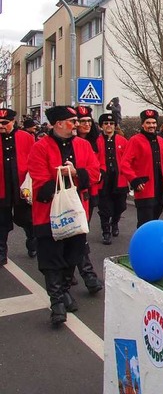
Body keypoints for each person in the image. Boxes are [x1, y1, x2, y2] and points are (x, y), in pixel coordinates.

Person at [27, 106, 100, 326]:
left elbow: (95, 172)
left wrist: (76, 172)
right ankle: (57, 302)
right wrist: (60, 174)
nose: (77, 124)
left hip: (77, 213)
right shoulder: (40, 148)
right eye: (72, 121)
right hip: (48, 214)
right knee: (51, 259)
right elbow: (39, 183)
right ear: (59, 123)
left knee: (73, 255)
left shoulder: (83, 145)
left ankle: (65, 289)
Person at [120, 109, 163, 227]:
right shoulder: (135, 140)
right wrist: (134, 179)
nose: (151, 125)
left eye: (153, 123)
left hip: (159, 189)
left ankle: (152, 245)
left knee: (155, 221)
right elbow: (124, 163)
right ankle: (143, 244)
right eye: (148, 123)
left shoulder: (161, 141)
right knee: (145, 223)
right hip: (144, 188)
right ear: (142, 124)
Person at [0, 108, 36, 266]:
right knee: (1, 221)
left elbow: (35, 159)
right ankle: (1, 252)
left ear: (13, 122)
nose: (1, 126)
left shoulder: (25, 137)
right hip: (2, 187)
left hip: (22, 186)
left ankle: (32, 241)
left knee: (26, 219)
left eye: (5, 123)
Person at [73, 105, 103, 294]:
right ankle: (87, 273)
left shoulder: (95, 142)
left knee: (81, 232)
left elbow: (99, 167)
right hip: (72, 194)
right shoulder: (70, 143)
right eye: (81, 121)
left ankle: (72, 272)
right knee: (77, 234)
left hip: (90, 193)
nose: (85, 125)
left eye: (88, 122)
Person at [96, 113, 128, 245]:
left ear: (115, 126)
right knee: (104, 207)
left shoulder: (122, 141)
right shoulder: (96, 141)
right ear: (101, 126)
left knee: (120, 206)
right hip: (104, 180)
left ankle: (114, 223)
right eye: (106, 123)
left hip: (119, 178)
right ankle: (106, 231)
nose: (109, 126)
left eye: (111, 124)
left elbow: (128, 159)